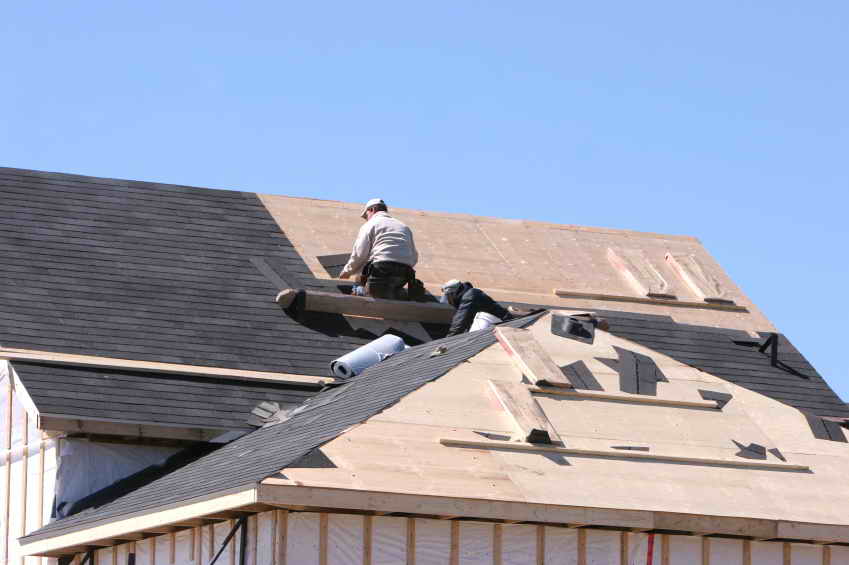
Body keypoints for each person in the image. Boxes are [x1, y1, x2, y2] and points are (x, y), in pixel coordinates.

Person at [339, 198, 419, 300]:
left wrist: (347, 271)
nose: (366, 218)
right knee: (391, 289)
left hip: (380, 270)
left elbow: (359, 254)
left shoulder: (370, 224)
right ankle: (395, 293)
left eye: (366, 215)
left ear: (372, 209)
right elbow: (414, 257)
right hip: (404, 273)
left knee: (359, 281)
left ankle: (360, 293)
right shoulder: (403, 227)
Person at [440, 279, 516, 336]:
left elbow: (460, 322)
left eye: (449, 297)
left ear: (455, 293)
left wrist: (448, 341)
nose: (450, 302)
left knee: (472, 339)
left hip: (500, 322)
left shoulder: (470, 296)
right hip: (495, 322)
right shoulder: (468, 295)